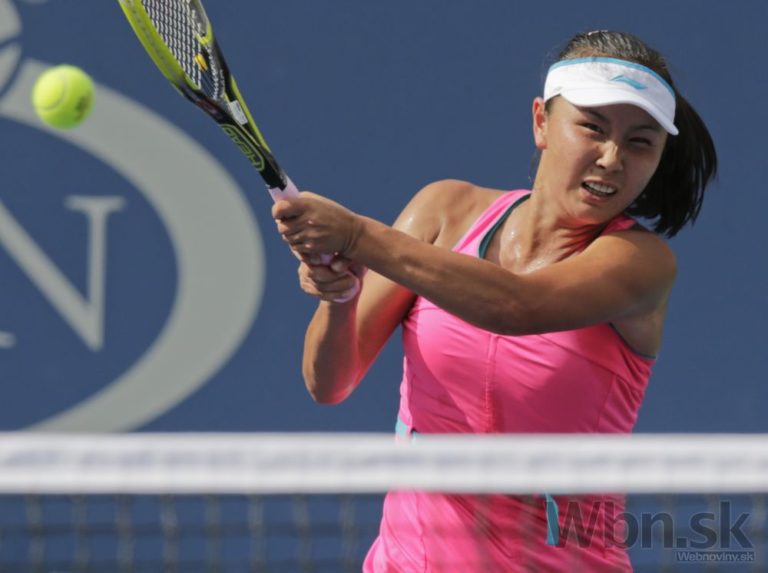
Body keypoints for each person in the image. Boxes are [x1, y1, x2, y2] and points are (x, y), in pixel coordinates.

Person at [273, 30, 717, 572]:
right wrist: (340, 296)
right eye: (592, 128)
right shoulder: (444, 212)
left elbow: (516, 307)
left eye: (639, 142)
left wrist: (357, 237)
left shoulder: (641, 263)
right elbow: (329, 383)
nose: (611, 158)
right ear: (541, 122)